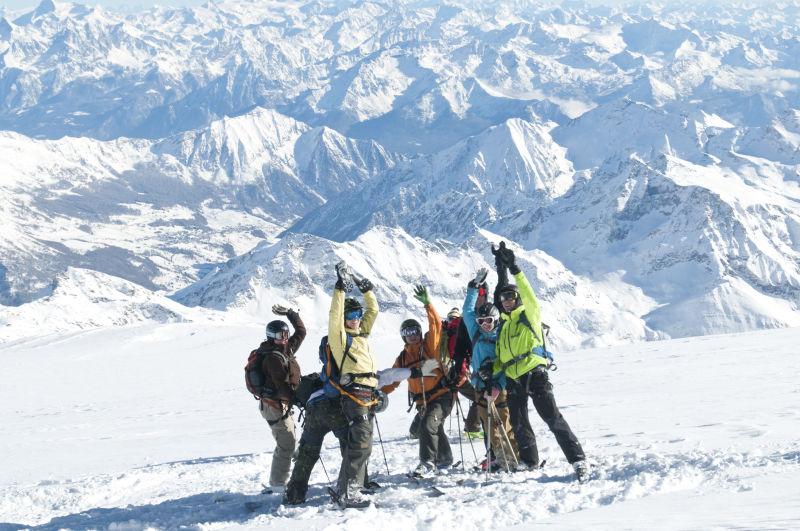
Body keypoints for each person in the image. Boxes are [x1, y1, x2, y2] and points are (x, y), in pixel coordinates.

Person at [492, 241, 588, 481]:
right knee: (518, 421)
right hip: (513, 378)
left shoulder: (529, 315)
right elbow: (501, 358)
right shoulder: (503, 325)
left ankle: (578, 460)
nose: (507, 300)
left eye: (511, 297)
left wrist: (514, 268)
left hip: (534, 373)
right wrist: (500, 270)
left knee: (552, 417)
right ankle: (529, 460)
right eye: (504, 297)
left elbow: (528, 293)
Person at [381, 285, 452, 477]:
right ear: (403, 336)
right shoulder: (402, 358)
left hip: (441, 396)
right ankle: (445, 459)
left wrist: (428, 305)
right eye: (408, 332)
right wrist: (379, 394)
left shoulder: (430, 347)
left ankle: (427, 463)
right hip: (422, 400)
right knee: (432, 426)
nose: (412, 335)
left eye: (415, 331)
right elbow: (393, 379)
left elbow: (436, 326)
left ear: (419, 333)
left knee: (427, 425)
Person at [328, 260, 380, 507]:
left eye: (357, 314)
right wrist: (340, 288)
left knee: (362, 444)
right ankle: (348, 492)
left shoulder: (362, 334)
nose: (355, 319)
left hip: (369, 392)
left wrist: (365, 288)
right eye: (350, 316)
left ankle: (346, 488)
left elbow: (374, 311)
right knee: (360, 442)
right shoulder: (340, 338)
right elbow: (334, 316)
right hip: (354, 394)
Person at [283, 377, 381, 505]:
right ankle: (356, 485)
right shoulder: (336, 379)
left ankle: (294, 494)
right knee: (351, 446)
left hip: (312, 411)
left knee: (307, 453)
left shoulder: (310, 386)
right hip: (334, 409)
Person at [461, 268, 519, 471]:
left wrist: (498, 385)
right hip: (479, 386)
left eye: (489, 321)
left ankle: (514, 458)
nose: (485, 325)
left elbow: (505, 363)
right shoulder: (475, 333)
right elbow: (466, 311)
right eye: (481, 321)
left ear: (496, 320)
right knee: (489, 427)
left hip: (498, 387)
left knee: (504, 424)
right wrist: (473, 288)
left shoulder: (502, 336)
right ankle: (502, 459)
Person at [254, 304, 306, 493]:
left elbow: (301, 332)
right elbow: (281, 385)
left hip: (282, 403)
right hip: (273, 405)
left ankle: (282, 478)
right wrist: (298, 400)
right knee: (286, 445)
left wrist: (291, 315)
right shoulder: (273, 359)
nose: (284, 338)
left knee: (289, 441)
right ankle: (277, 485)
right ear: (271, 337)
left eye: (285, 334)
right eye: (279, 335)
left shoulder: (287, 348)